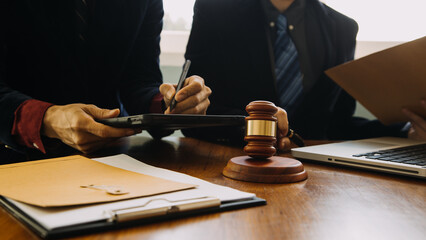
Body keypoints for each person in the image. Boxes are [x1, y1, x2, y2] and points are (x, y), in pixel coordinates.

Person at [184, 0, 425, 149]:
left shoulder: (342, 28)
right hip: (230, 162)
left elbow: (336, 125)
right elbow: (192, 112)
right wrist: (256, 127)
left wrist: (406, 132)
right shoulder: (213, 10)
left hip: (315, 178)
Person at [0, 0, 211, 162]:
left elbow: (139, 79)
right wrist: (48, 118)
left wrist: (169, 105)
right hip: (15, 162)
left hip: (112, 160)